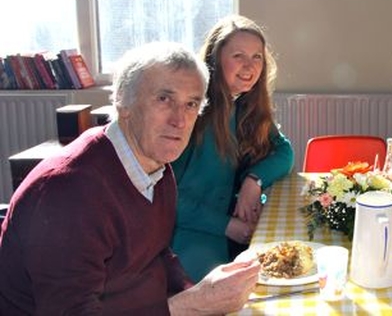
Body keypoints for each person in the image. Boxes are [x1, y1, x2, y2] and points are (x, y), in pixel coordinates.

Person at [0, 42, 260, 315]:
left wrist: (201, 294)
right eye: (164, 99)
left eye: (191, 104)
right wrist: (189, 305)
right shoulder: (68, 192)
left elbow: (160, 255)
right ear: (123, 102)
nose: (180, 121)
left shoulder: (157, 169)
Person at [171, 15, 294, 281]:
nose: (249, 66)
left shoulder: (245, 104)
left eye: (257, 56)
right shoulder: (193, 113)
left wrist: (254, 180)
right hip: (192, 235)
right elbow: (167, 197)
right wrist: (227, 226)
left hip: (236, 229)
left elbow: (285, 152)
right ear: (215, 60)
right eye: (238, 55)